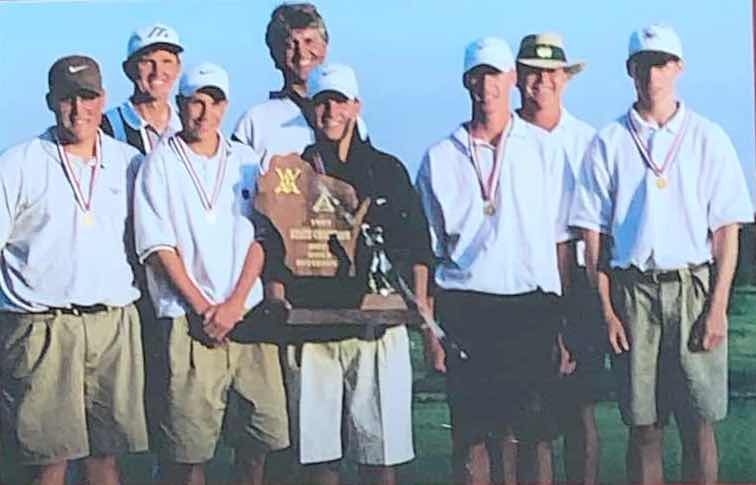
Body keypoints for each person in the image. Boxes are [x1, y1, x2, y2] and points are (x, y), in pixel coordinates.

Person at [570, 24, 754, 485]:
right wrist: (607, 310)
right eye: (643, 64)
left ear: (678, 68)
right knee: (644, 425)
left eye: (661, 63)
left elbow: (726, 231)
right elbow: (593, 236)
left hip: (692, 286)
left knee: (698, 421)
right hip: (634, 290)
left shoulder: (708, 137)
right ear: (630, 70)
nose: (652, 74)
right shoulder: (609, 141)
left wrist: (718, 309)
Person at [416, 37, 574, 485]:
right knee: (472, 437)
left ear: (512, 79)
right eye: (478, 75)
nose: (487, 85)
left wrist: (563, 321)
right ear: (467, 81)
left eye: (495, 75)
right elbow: (427, 255)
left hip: (531, 306)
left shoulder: (544, 152)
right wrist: (431, 330)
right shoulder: (440, 157)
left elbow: (562, 244)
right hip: (467, 305)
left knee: (534, 434)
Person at [265, 62, 432, 485]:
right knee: (320, 458)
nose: (330, 112)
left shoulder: (387, 170)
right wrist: (277, 296)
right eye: (322, 103)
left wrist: (422, 313)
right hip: (312, 327)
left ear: (355, 106)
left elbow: (416, 246)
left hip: (376, 328)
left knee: (379, 454)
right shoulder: (290, 172)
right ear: (310, 110)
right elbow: (272, 243)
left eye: (339, 102)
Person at [134, 63, 289, 485]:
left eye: (214, 102)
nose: (204, 113)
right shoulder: (159, 162)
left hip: (247, 317)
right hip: (188, 320)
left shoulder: (246, 159)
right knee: (188, 451)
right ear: (181, 105)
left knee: (257, 442)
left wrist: (235, 304)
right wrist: (204, 307)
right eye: (195, 103)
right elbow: (158, 246)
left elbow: (263, 236)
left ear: (226, 105)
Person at [0, 55, 147, 485]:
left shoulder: (128, 161)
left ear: (103, 100)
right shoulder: (19, 162)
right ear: (50, 102)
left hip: (112, 323)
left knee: (105, 458)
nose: (78, 109)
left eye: (87, 97)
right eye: (67, 98)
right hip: (44, 326)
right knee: (48, 461)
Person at [515, 32, 601, 485]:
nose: (540, 81)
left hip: (580, 284)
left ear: (565, 78)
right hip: (523, 284)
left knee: (581, 409)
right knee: (535, 414)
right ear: (517, 78)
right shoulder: (504, 137)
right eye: (530, 72)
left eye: (550, 72)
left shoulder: (589, 139)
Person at [232, 3, 328, 160]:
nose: (301, 52)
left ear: (324, 48)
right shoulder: (255, 122)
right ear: (275, 55)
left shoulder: (342, 116)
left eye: (309, 41)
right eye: (290, 45)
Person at [102, 22, 183, 153]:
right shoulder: (106, 127)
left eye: (166, 62)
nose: (158, 71)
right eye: (147, 62)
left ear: (178, 68)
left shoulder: (187, 125)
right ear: (128, 69)